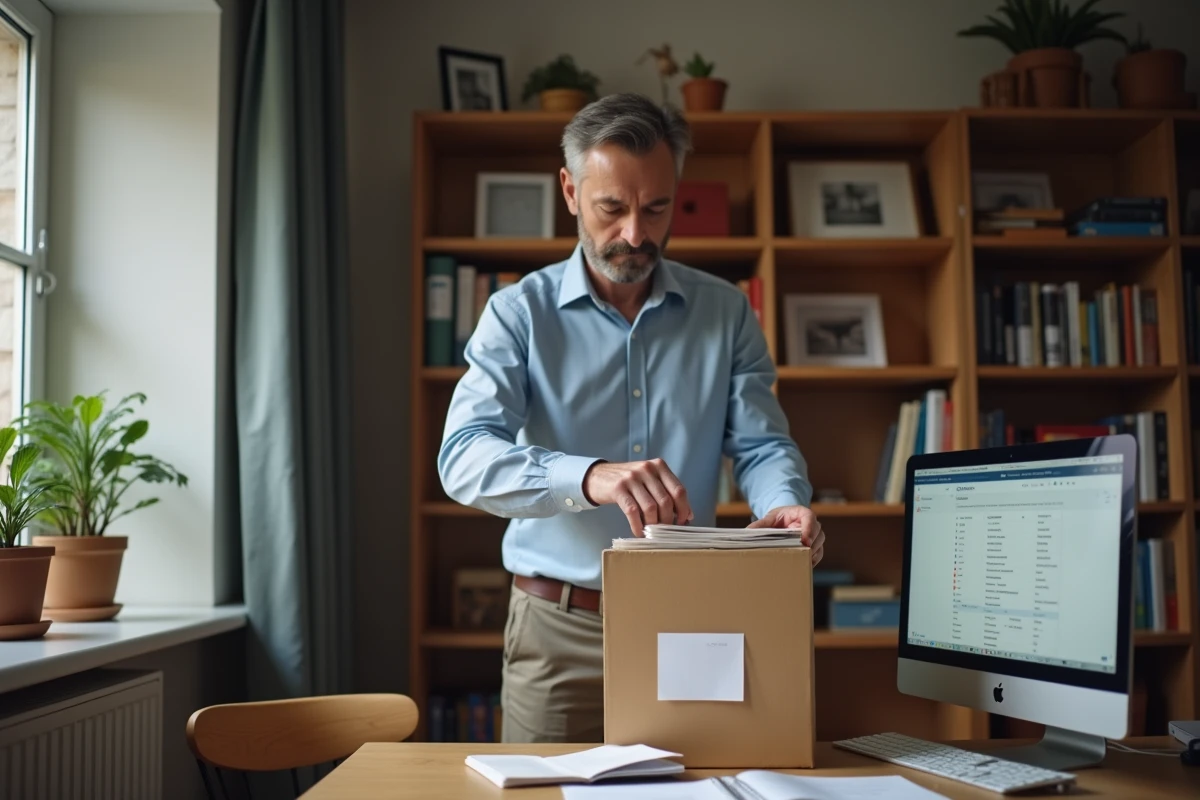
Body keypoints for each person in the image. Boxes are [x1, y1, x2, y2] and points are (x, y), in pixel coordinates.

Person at [438, 92, 825, 744]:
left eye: (656, 208)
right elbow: (464, 457)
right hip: (558, 628)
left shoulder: (726, 312)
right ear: (570, 189)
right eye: (612, 209)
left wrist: (784, 502)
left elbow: (762, 445)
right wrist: (588, 476)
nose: (636, 235)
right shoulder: (517, 314)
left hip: (691, 617)